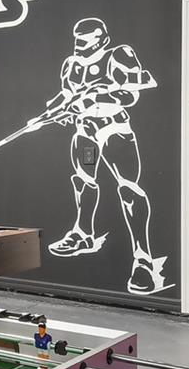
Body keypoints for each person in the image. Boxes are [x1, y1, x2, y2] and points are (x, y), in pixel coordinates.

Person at [42, 17, 165, 295]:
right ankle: (83, 234)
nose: (80, 46)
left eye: (86, 42)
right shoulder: (71, 64)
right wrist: (52, 112)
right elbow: (66, 94)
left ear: (102, 40)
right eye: (78, 41)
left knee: (129, 188)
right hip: (86, 134)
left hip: (114, 132)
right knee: (84, 180)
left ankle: (143, 259)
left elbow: (132, 94)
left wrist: (96, 98)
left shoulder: (119, 55)